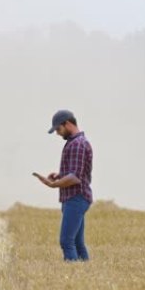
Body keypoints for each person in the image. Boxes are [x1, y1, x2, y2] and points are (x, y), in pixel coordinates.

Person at [34, 110, 93, 261]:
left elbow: (76, 177)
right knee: (78, 243)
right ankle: (86, 276)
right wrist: (60, 175)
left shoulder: (77, 144)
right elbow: (76, 170)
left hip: (76, 198)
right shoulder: (76, 142)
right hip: (76, 198)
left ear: (67, 124)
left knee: (66, 241)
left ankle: (73, 279)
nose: (58, 134)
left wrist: (54, 184)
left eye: (58, 129)